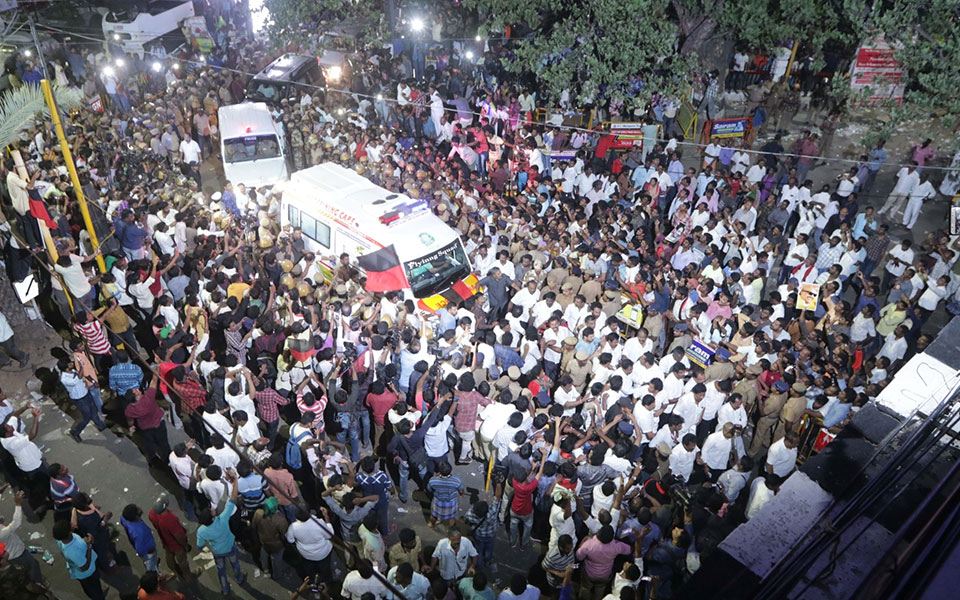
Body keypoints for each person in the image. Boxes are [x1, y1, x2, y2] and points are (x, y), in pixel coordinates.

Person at [196, 468, 246, 595]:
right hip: (230, 547)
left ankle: (225, 589)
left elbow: (200, 545)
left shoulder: (202, 531)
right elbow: (233, 498)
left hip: (217, 551)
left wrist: (206, 546)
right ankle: (239, 578)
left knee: (221, 570)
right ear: (212, 517)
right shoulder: (223, 518)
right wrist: (235, 481)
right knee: (235, 563)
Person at [52, 519, 105, 600]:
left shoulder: (62, 540)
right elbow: (84, 567)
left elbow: (77, 542)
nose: (72, 524)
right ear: (68, 532)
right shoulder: (73, 552)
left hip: (79, 570)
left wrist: (84, 541)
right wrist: (89, 546)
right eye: (70, 526)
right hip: (88, 573)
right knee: (95, 590)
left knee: (89, 588)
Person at [120, 504, 159, 572]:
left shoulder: (125, 519)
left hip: (143, 544)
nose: (140, 508)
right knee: (151, 566)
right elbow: (140, 549)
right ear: (135, 516)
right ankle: (156, 576)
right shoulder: (139, 533)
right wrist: (150, 552)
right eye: (137, 509)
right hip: (149, 552)